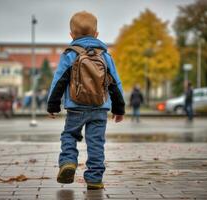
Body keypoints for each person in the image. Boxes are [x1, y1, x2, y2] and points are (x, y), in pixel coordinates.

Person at [47, 11, 125, 190]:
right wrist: (119, 109)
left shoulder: (69, 54)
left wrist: (52, 105)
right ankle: (95, 178)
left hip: (75, 106)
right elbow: (115, 83)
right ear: (96, 34)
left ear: (71, 35)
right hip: (100, 107)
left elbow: (59, 81)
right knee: (96, 142)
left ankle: (68, 162)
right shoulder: (105, 55)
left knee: (69, 135)